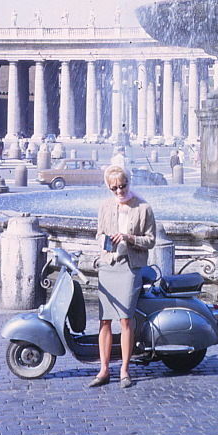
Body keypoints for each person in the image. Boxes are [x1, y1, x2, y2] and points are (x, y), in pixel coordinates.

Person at [89, 165, 156, 389]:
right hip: (108, 266)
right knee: (104, 320)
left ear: (129, 182)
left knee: (126, 319)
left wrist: (129, 237)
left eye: (122, 186)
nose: (119, 191)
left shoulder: (143, 207)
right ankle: (104, 369)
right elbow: (98, 233)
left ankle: (125, 370)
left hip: (130, 268)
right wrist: (104, 240)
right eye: (114, 188)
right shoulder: (105, 206)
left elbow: (151, 240)